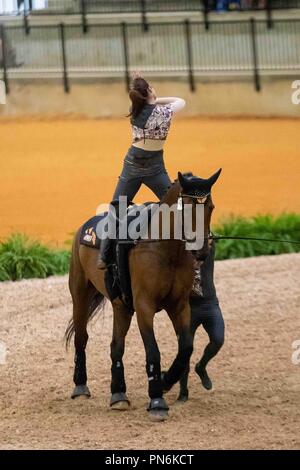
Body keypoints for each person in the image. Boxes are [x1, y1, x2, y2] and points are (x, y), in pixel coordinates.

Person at [97, 72, 186, 270]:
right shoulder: (163, 111)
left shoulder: (134, 110)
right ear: (148, 94)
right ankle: (192, 249)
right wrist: (156, 98)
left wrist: (149, 98)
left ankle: (104, 255)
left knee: (117, 207)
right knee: (176, 205)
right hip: (156, 167)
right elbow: (181, 101)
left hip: (133, 165)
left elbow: (144, 102)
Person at [178, 241, 225, 400]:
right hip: (188, 308)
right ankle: (183, 392)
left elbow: (206, 239)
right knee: (185, 349)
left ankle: (201, 367)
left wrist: (209, 240)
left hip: (210, 304)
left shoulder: (207, 248)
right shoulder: (179, 252)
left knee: (218, 339)